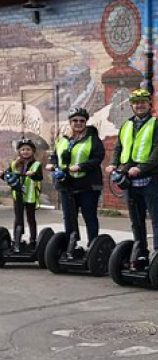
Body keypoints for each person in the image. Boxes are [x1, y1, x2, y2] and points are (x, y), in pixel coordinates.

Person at [105, 88, 158, 269]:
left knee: (156, 218)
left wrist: (140, 168)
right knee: (136, 220)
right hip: (129, 179)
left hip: (150, 178)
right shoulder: (127, 125)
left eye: (143, 102)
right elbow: (119, 148)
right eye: (136, 102)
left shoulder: (156, 124)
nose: (139, 105)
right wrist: (114, 163)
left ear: (149, 104)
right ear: (132, 105)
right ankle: (140, 251)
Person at [46, 107, 105, 257]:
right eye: (75, 120)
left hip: (87, 185)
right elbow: (55, 155)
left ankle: (93, 247)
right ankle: (72, 245)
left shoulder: (93, 139)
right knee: (69, 217)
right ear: (70, 122)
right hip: (66, 184)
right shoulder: (63, 138)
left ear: (86, 122)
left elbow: (98, 158)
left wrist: (81, 166)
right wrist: (52, 164)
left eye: (81, 121)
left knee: (89, 216)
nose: (78, 123)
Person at [5, 138, 43, 251]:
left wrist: (33, 174)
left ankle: (33, 240)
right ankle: (17, 240)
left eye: (28, 149)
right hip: (18, 195)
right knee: (18, 218)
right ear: (19, 151)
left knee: (31, 218)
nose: (25, 152)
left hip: (30, 195)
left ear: (32, 151)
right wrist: (3, 174)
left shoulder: (36, 164)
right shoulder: (14, 164)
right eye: (22, 149)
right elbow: (8, 176)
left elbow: (39, 177)